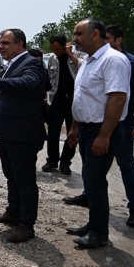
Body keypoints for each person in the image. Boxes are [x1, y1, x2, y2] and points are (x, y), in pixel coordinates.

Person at [0, 28, 47, 243]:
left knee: (25, 181)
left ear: (20, 44)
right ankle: (13, 213)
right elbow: (9, 93)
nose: (1, 47)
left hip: (23, 134)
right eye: (0, 43)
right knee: (11, 176)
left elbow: (27, 84)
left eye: (6, 43)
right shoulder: (12, 64)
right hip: (8, 132)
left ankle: (26, 225)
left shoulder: (32, 63)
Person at [63, 18, 130, 249]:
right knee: (90, 181)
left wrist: (104, 136)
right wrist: (74, 127)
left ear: (95, 34)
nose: (74, 39)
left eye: (79, 34)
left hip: (102, 131)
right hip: (87, 129)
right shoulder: (89, 62)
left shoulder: (113, 60)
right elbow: (82, 97)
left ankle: (99, 234)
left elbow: (117, 98)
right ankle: (93, 224)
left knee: (95, 182)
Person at [104, 25, 134, 228]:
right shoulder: (101, 61)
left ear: (118, 40)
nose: (103, 42)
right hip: (99, 123)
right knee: (93, 165)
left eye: (107, 38)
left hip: (122, 124)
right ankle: (90, 197)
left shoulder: (133, 63)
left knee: (126, 165)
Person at [41, 35, 87, 175]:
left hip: (74, 100)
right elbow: (49, 79)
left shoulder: (79, 55)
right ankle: (52, 161)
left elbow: (83, 68)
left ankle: (66, 162)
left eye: (58, 49)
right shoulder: (52, 59)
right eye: (53, 49)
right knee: (53, 132)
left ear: (65, 45)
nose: (56, 52)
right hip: (56, 99)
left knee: (72, 133)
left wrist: (69, 54)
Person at [27, 48, 52, 122]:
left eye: (39, 62)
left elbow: (48, 87)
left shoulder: (43, 71)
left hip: (38, 106)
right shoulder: (22, 73)